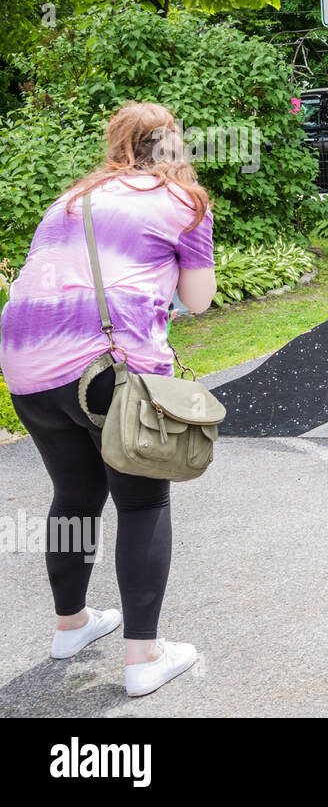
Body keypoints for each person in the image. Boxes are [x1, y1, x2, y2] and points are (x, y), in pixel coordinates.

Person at [0, 101, 216, 698]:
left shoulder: (70, 201)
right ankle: (144, 657)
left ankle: (70, 625)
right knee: (143, 502)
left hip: (25, 364)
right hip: (106, 368)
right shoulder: (184, 202)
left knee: (74, 492)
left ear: (117, 144)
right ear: (173, 144)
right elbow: (198, 300)